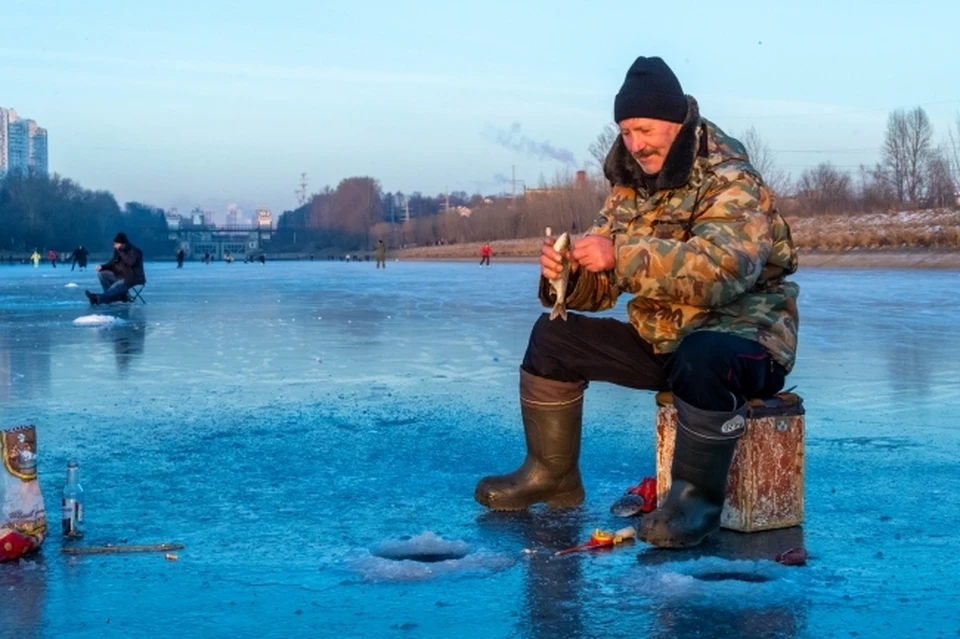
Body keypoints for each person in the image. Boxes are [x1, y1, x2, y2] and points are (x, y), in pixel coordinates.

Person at [473, 56, 799, 550]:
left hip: (745, 341)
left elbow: (723, 272)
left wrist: (620, 256)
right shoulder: (629, 187)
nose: (635, 143)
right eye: (625, 132)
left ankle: (694, 504)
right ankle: (551, 476)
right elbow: (604, 286)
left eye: (643, 129)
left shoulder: (731, 180)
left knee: (702, 356)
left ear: (676, 122)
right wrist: (571, 274)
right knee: (553, 337)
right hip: (662, 340)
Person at [85, 232, 146, 305]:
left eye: (116, 244)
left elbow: (130, 262)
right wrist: (102, 267)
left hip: (132, 278)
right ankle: (113, 298)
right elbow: (112, 263)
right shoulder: (118, 251)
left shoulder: (134, 251)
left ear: (122, 244)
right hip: (119, 275)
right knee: (101, 274)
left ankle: (98, 298)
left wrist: (121, 251)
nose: (114, 246)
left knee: (116, 286)